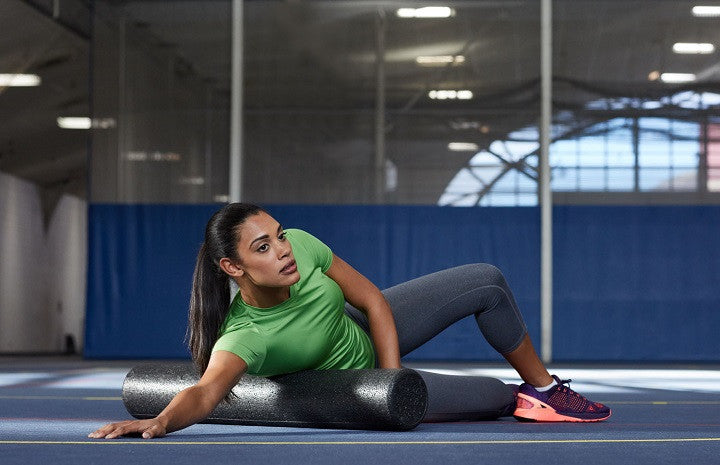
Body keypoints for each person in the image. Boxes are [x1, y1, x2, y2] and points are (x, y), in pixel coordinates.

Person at [89, 203, 610, 439]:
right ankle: (517, 396)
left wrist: (391, 378)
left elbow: (374, 302)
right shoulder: (246, 337)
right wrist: (157, 421)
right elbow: (205, 392)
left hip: (369, 344)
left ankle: (543, 389)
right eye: (264, 247)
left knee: (486, 279)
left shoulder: (306, 246)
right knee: (495, 397)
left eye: (280, 235)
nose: (285, 250)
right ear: (233, 267)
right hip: (348, 385)